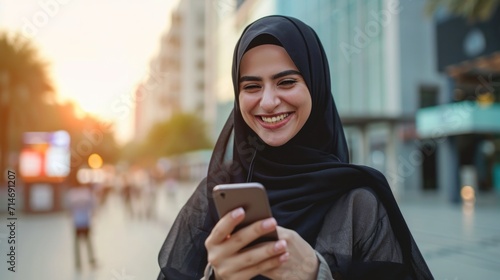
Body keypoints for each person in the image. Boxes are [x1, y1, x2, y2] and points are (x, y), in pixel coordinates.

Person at [157, 15, 433, 280]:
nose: (267, 101)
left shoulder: (358, 204)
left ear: (316, 85)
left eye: (286, 82)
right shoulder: (212, 198)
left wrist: (316, 273)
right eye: (252, 86)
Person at [66, 170, 97, 270]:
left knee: (77, 243)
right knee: (88, 242)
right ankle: (91, 260)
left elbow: (68, 209)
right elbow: (93, 206)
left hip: (76, 221)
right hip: (86, 220)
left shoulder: (71, 194)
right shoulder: (87, 193)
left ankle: (78, 263)